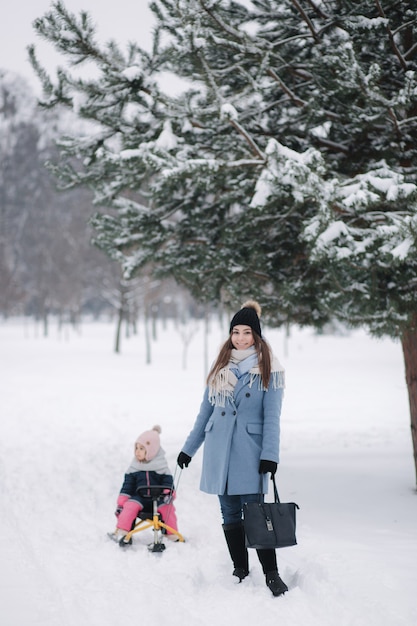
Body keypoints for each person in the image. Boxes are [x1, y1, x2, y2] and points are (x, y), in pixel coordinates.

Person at [177, 300, 288, 596]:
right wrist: (189, 449)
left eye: (246, 332)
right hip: (219, 450)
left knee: (257, 512)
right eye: (235, 332)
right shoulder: (219, 368)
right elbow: (205, 413)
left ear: (257, 336)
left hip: (250, 452)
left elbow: (272, 418)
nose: (240, 338)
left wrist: (270, 456)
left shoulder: (270, 370)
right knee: (229, 513)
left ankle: (271, 573)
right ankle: (240, 568)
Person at [109, 425, 180, 544]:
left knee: (168, 509)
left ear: (152, 450)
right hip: (139, 498)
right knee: (129, 507)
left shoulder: (161, 466)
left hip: (159, 499)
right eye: (136, 448)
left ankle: (172, 533)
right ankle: (123, 532)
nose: (137, 451)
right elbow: (128, 485)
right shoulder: (134, 467)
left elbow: (168, 483)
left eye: (142, 448)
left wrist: (168, 494)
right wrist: (122, 501)